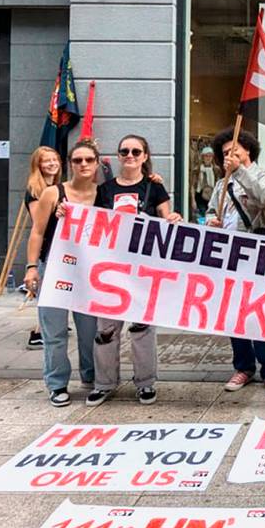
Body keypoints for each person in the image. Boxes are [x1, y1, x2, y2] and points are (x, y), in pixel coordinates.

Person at [87, 134, 182, 407]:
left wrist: (173, 219)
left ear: (145, 156)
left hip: (142, 272)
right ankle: (104, 384)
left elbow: (168, 220)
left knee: (142, 328)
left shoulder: (155, 188)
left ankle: (145, 383)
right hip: (111, 270)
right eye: (124, 151)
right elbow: (93, 226)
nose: (130, 155)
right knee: (105, 330)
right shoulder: (104, 191)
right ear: (117, 156)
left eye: (136, 151)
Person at [205, 126, 265, 397]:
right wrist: (211, 220)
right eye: (225, 153)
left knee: (260, 309)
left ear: (248, 149)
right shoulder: (220, 184)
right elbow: (210, 211)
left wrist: (239, 171)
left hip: (258, 248)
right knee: (234, 310)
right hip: (228, 252)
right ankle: (243, 365)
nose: (229, 155)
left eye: (234, 150)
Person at [23, 140, 100, 406]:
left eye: (89, 160)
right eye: (77, 160)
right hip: (54, 268)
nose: (83, 165)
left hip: (89, 273)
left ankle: (91, 379)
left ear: (97, 163)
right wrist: (32, 267)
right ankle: (57, 384)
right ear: (71, 164)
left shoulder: (102, 195)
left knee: (90, 332)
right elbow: (37, 232)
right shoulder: (53, 193)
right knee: (54, 332)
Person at [22, 146, 62, 349]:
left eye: (55, 159)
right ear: (38, 165)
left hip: (58, 246)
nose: (52, 163)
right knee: (46, 292)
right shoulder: (35, 190)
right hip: (48, 248)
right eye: (47, 160)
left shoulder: (56, 186)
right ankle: (38, 332)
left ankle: (47, 328)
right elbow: (40, 224)